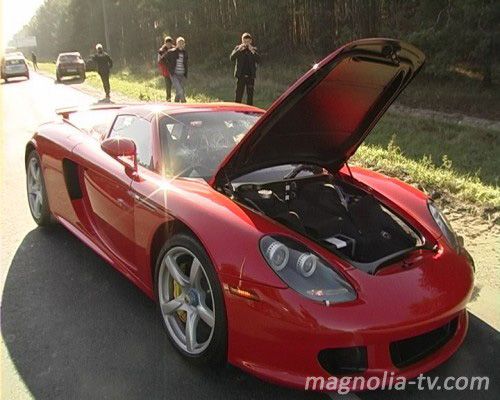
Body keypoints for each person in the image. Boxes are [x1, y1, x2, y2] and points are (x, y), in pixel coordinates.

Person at [230, 32, 260, 105]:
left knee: (250, 96)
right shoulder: (238, 48)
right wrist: (239, 50)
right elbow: (232, 58)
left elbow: (259, 60)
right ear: (242, 41)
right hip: (241, 76)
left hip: (250, 77)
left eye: (248, 41)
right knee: (238, 95)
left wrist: (252, 51)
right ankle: (237, 111)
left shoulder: (253, 50)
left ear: (251, 41)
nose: (246, 43)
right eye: (245, 41)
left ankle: (249, 112)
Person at [165, 37, 188, 103]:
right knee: (180, 89)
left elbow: (186, 64)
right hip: (174, 74)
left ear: (184, 44)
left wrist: (185, 73)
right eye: (179, 43)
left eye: (182, 43)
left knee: (179, 91)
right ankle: (184, 101)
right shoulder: (171, 52)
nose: (181, 44)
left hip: (182, 74)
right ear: (176, 44)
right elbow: (165, 60)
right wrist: (170, 68)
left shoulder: (185, 53)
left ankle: (176, 102)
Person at [158, 36, 174, 101]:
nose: (168, 45)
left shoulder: (174, 49)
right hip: (166, 71)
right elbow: (159, 61)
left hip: (174, 71)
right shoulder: (161, 51)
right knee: (168, 86)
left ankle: (178, 100)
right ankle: (168, 99)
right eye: (167, 43)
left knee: (177, 85)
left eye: (170, 43)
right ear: (165, 43)